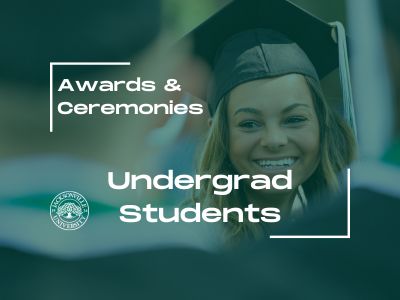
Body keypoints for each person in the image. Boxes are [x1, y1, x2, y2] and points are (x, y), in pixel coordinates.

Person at [183, 0, 356, 243]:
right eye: (249, 124)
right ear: (219, 134)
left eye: (294, 119)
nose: (274, 140)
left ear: (323, 125)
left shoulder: (351, 230)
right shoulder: (196, 243)